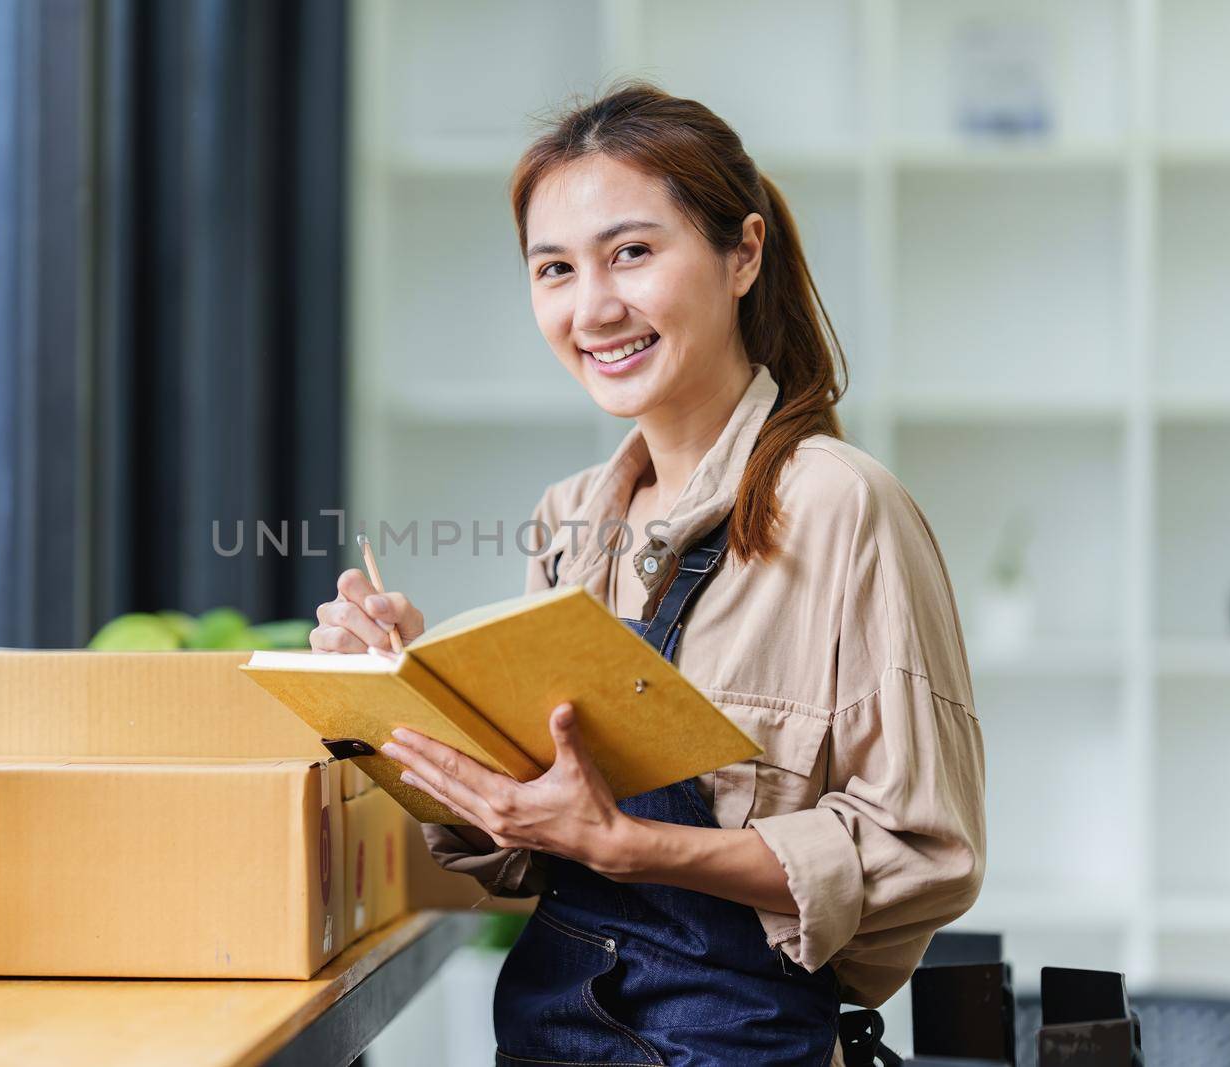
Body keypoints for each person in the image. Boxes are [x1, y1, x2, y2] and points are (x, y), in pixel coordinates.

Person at [310, 81, 986, 1067]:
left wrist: (637, 847)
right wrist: (415, 691)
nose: (592, 306)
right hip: (549, 1034)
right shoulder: (571, 520)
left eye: (630, 252)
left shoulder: (843, 505)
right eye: (554, 268)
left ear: (741, 253)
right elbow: (522, 857)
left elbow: (927, 853)